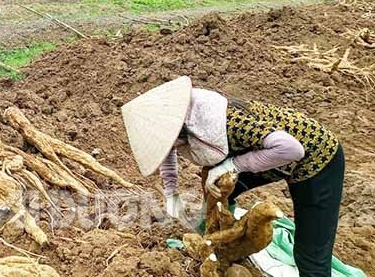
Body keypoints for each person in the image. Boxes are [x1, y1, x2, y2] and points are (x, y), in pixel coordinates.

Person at [121, 76, 344, 276]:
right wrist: (171, 193)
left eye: (174, 144)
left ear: (182, 132)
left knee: (310, 256)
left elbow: (292, 150)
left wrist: (233, 165)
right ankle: (219, 241)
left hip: (316, 159)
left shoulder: (231, 124)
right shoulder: (183, 122)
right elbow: (167, 152)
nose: (174, 149)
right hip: (269, 155)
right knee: (215, 184)